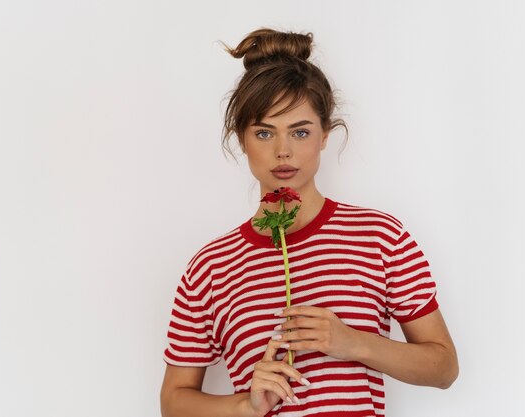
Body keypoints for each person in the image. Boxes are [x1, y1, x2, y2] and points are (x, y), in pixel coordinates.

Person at [160, 28, 458, 417]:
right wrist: (245, 406)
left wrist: (352, 342)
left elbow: (444, 367)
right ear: (241, 139)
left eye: (300, 131)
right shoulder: (211, 268)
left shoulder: (381, 237)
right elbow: (173, 401)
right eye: (264, 132)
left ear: (324, 136)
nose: (283, 151)